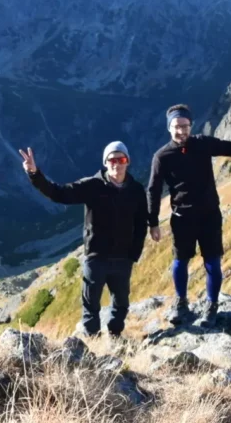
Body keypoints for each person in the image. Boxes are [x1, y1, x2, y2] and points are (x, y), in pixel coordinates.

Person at [147, 104, 231, 326]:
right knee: (180, 261)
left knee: (212, 263)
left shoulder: (203, 144)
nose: (181, 131)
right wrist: (153, 223)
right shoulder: (162, 156)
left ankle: (211, 306)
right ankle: (181, 304)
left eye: (185, 126)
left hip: (209, 216)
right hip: (182, 218)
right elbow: (153, 190)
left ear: (190, 125)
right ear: (169, 128)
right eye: (177, 127)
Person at [19, 142, 150, 338]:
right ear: (105, 163)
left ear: (127, 161)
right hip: (96, 256)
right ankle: (93, 340)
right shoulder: (92, 185)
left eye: (121, 159)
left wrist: (134, 253)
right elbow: (59, 194)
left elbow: (141, 223)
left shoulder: (137, 190)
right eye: (112, 160)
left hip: (123, 258)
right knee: (90, 303)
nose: (116, 164)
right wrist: (35, 174)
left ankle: (115, 334)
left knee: (121, 302)